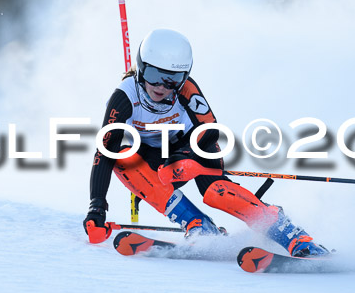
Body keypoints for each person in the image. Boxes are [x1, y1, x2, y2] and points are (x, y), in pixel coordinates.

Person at [83, 28, 329, 257]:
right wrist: (97, 207)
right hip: (153, 155)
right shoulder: (124, 97)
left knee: (216, 193)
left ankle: (291, 234)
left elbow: (210, 130)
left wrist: (186, 156)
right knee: (122, 159)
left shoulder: (187, 90)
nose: (160, 86)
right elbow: (104, 151)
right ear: (141, 68)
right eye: (154, 75)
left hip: (195, 144)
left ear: (184, 77)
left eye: (171, 79)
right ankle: (197, 225)